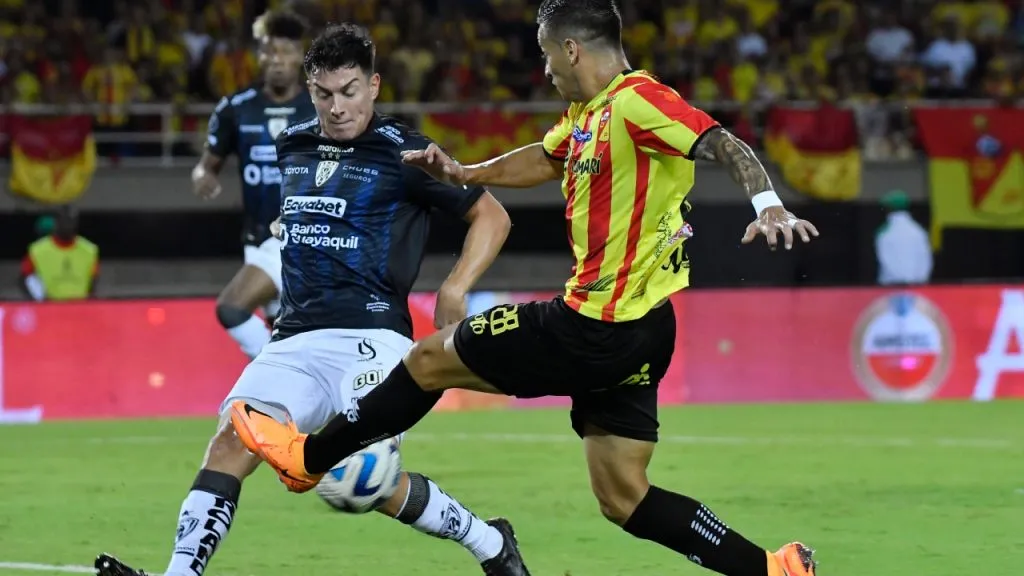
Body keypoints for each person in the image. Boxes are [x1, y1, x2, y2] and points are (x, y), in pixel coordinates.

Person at [231, 1, 824, 575]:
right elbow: (544, 158)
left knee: (428, 360)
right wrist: (466, 173)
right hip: (644, 331)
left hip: (592, 325)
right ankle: (772, 570)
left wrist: (768, 204)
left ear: (571, 49)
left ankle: (308, 458)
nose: (544, 69)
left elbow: (721, 141)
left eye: (546, 55)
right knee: (624, 497)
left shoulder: (639, 101)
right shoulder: (588, 114)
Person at [95, 23, 529, 576]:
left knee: (362, 477)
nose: (338, 107)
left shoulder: (408, 152)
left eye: (350, 91)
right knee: (230, 442)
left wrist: (456, 286)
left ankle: (488, 543)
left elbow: (492, 215)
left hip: (373, 338)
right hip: (295, 336)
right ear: (310, 89)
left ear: (374, 85)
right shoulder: (293, 144)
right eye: (324, 94)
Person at [192, 10, 316, 360]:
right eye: (268, 51)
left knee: (235, 309)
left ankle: (274, 370)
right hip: (257, 238)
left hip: (302, 236)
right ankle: (287, 377)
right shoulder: (235, 108)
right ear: (258, 56)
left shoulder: (320, 107)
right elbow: (207, 165)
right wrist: (203, 177)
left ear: (300, 56)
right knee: (282, 330)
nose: (276, 59)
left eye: (285, 51)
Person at [21, 205, 98, 301]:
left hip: (81, 306)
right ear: (56, 222)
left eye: (71, 221)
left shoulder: (89, 250)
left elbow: (94, 280)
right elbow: (26, 277)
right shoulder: (37, 250)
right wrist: (40, 299)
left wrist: (90, 302)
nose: (67, 225)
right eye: (64, 220)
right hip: (49, 306)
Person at [875, 189, 931, 286]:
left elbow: (884, 259)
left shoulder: (884, 232)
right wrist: (920, 280)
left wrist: (901, 280)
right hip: (917, 284)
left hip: (891, 285)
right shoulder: (919, 231)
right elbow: (925, 259)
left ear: (889, 209)